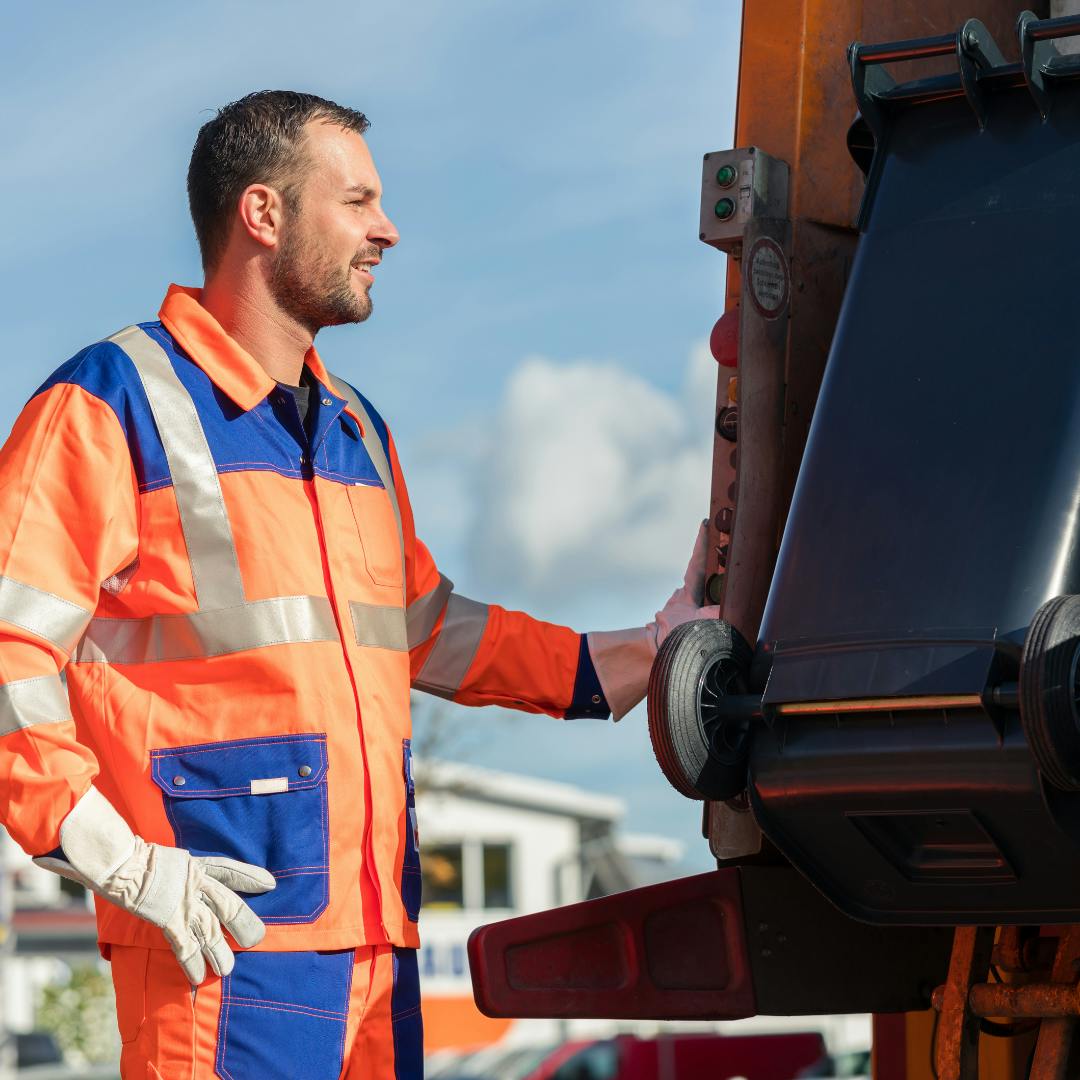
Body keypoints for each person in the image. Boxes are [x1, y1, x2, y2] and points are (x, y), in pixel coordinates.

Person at [0, 91, 718, 1079]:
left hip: (381, 953)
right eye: (357, 201)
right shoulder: (110, 405)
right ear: (264, 214)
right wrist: (114, 856)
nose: (386, 229)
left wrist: (648, 653)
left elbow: (427, 628)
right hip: (220, 946)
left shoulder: (355, 429)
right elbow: (9, 651)